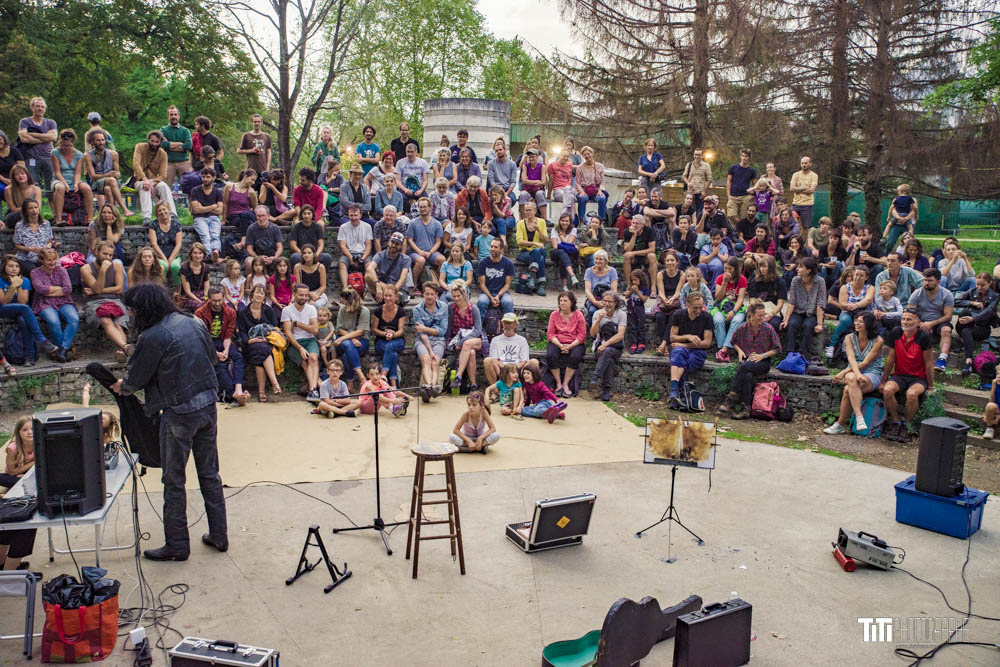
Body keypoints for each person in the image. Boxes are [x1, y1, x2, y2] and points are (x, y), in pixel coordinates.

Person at [111, 283, 227, 561]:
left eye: (133, 309)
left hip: (179, 413)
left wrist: (122, 385)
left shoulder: (153, 336)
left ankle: (177, 545)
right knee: (210, 474)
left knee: (174, 480)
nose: (130, 314)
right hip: (208, 407)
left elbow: (134, 381)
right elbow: (210, 358)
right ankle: (220, 536)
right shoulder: (194, 321)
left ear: (144, 309)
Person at [824, 312, 885, 435]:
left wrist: (844, 373)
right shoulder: (849, 338)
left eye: (861, 321)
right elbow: (851, 359)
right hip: (853, 371)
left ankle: (840, 424)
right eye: (856, 320)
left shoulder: (878, 341)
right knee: (852, 378)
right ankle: (859, 416)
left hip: (872, 372)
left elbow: (866, 362)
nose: (857, 323)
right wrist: (857, 374)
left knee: (848, 389)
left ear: (869, 324)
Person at [719, 301, 782, 419]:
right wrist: (739, 351)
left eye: (764, 315)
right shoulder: (742, 327)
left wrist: (762, 356)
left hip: (762, 362)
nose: (763, 318)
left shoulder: (768, 328)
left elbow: (777, 349)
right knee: (747, 375)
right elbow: (734, 342)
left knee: (743, 367)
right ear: (751, 315)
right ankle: (746, 409)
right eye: (760, 315)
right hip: (747, 360)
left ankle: (731, 396)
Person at [880, 309, 934, 440]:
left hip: (918, 378)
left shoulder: (924, 336)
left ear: (918, 322)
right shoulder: (896, 333)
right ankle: (896, 421)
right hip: (899, 375)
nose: (905, 322)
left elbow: (929, 363)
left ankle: (907, 424)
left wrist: (931, 387)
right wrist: (883, 381)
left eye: (909, 319)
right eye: (903, 319)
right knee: (887, 390)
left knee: (911, 394)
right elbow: (890, 359)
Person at [195, 287, 249, 406]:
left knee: (238, 357)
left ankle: (238, 389)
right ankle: (232, 393)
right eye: (214, 300)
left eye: (220, 300)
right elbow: (202, 338)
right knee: (219, 364)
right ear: (209, 299)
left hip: (223, 342)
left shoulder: (230, 312)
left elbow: (228, 335)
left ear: (224, 298)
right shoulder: (199, 313)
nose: (218, 303)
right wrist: (214, 353)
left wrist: (226, 350)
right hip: (207, 343)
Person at [0, 254, 59, 362]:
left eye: (17, 266)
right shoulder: (0, 280)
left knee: (23, 319)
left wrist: (18, 286)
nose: (14, 269)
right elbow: (4, 302)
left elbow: (23, 301)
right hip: (3, 309)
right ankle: (42, 340)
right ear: (4, 267)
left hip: (19, 310)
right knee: (25, 309)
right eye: (10, 266)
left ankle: (29, 357)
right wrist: (12, 287)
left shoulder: (25, 280)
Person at [81, 241, 130, 361]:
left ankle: (122, 352)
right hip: (94, 302)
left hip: (115, 300)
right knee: (105, 320)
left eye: (110, 255)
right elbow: (97, 290)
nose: (107, 257)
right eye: (104, 254)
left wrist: (96, 290)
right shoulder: (86, 269)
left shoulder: (117, 265)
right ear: (96, 252)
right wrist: (102, 271)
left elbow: (119, 288)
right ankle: (125, 347)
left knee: (119, 323)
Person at [0, 417, 37, 569]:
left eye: (31, 429)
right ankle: (9, 576)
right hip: (12, 478)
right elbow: (12, 472)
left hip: (21, 479)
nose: (29, 433)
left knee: (19, 520)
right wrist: (32, 463)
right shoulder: (14, 447)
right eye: (25, 430)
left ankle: (5, 567)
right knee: (26, 523)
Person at [665, 291, 713, 409]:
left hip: (697, 351)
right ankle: (677, 393)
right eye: (695, 308)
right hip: (680, 349)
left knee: (683, 360)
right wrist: (687, 337)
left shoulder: (707, 317)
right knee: (677, 353)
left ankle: (675, 392)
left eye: (701, 307)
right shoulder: (678, 315)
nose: (698, 311)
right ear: (687, 305)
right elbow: (672, 338)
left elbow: (706, 343)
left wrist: (685, 345)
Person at [30, 249, 78, 362]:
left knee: (74, 319)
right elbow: (40, 290)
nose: (52, 262)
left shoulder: (61, 270)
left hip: (63, 301)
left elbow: (68, 289)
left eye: (54, 259)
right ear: (42, 260)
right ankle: (65, 349)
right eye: (49, 260)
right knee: (54, 321)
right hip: (43, 302)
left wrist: (49, 291)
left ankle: (63, 349)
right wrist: (58, 289)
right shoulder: (35, 272)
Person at [908, 268, 954, 372]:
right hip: (920, 321)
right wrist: (922, 324)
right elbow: (910, 311)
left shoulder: (946, 294)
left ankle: (942, 359)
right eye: (925, 280)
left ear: (938, 282)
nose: (926, 283)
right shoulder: (917, 293)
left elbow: (948, 316)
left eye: (930, 281)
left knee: (946, 330)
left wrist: (932, 324)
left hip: (939, 322)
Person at [282, 283, 321, 402]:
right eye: (301, 295)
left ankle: (313, 390)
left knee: (313, 358)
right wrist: (300, 348)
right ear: (294, 294)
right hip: (294, 343)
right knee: (305, 362)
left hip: (310, 340)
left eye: (306, 295)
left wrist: (298, 324)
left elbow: (314, 330)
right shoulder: (287, 310)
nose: (304, 298)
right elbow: (288, 333)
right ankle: (320, 386)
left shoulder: (311, 308)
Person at [781, 257, 826, 359]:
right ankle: (789, 353)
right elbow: (791, 302)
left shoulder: (820, 281)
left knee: (808, 325)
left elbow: (820, 304)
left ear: (809, 270)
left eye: (801, 267)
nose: (797, 268)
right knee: (792, 324)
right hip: (798, 311)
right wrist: (786, 320)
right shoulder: (795, 280)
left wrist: (819, 324)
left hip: (813, 313)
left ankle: (802, 353)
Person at [954, 273, 999, 376]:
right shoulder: (972, 291)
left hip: (982, 328)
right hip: (965, 325)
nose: (979, 287)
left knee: (966, 330)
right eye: (977, 284)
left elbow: (989, 312)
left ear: (990, 283)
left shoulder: (995, 296)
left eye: (982, 285)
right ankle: (968, 360)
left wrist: (973, 319)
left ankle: (968, 361)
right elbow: (955, 300)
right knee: (964, 312)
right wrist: (971, 303)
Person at [585, 291, 627, 402]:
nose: (607, 304)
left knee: (607, 351)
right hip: (601, 345)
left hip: (616, 346)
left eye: (610, 301)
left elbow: (620, 335)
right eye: (605, 301)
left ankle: (596, 377)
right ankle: (606, 390)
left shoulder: (621, 314)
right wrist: (599, 320)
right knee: (607, 356)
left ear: (616, 303)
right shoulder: (597, 313)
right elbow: (593, 334)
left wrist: (605, 345)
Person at [826, 266, 875, 358]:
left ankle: (865, 349)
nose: (858, 277)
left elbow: (868, 300)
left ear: (866, 277)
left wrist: (856, 305)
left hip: (864, 312)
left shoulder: (870, 287)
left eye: (861, 275)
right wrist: (849, 306)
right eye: (856, 275)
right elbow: (842, 303)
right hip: (847, 311)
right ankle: (832, 345)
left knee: (865, 322)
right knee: (845, 321)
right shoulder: (845, 287)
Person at [446, 280, 486, 391]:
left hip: (475, 339)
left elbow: (478, 330)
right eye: (453, 296)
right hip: (459, 339)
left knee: (468, 344)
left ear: (464, 295)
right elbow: (449, 327)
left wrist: (462, 341)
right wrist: (449, 341)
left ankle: (458, 375)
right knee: (471, 353)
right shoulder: (451, 307)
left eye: (458, 296)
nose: (456, 299)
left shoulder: (473, 309)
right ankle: (473, 385)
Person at [546, 290, 587, 397]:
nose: (562, 303)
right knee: (551, 354)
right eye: (561, 301)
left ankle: (566, 384)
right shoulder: (554, 314)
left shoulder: (578, 315)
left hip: (574, 342)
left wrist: (570, 346)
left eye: (565, 300)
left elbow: (582, 335)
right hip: (558, 341)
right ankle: (558, 384)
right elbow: (550, 334)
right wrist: (560, 345)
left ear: (572, 302)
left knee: (575, 355)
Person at [413, 282, 448, 398]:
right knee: (426, 359)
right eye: (427, 294)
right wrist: (430, 350)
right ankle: (429, 386)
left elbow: (442, 331)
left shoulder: (443, 307)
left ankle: (432, 386)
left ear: (436, 295)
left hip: (439, 340)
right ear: (423, 294)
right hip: (422, 340)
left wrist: (425, 328)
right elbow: (421, 333)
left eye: (432, 294)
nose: (429, 297)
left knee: (435, 361)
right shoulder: (417, 309)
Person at [85, 129, 132, 216]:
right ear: (92, 142)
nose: (101, 142)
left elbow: (118, 173)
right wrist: (108, 175)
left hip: (112, 183)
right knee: (111, 180)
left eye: (102, 140)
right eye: (98, 140)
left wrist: (117, 174)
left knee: (108, 189)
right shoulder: (88, 156)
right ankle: (124, 209)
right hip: (96, 183)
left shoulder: (114, 154)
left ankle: (111, 214)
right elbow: (92, 176)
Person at [50, 129, 93, 225]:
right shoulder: (55, 153)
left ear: (72, 143)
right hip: (59, 178)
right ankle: (59, 219)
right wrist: (65, 183)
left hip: (73, 178)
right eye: (63, 145)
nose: (66, 148)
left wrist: (76, 183)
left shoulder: (78, 154)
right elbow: (57, 172)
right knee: (60, 188)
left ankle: (90, 218)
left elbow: (78, 173)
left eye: (68, 145)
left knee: (86, 188)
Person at [133, 130, 176, 222]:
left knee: (164, 186)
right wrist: (145, 180)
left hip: (155, 181)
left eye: (157, 142)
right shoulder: (140, 147)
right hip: (140, 180)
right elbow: (136, 164)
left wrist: (152, 184)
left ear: (160, 142)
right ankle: (146, 217)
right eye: (152, 141)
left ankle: (172, 214)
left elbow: (163, 175)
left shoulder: (163, 154)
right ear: (148, 140)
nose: (154, 144)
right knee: (145, 187)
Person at [405, 197, 446, 293]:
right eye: (420, 207)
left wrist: (430, 252)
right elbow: (409, 240)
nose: (422, 209)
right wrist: (419, 251)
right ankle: (414, 285)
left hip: (431, 251)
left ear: (430, 207)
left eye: (424, 207)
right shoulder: (413, 223)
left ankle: (439, 284)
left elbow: (438, 241)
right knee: (421, 260)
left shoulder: (437, 224)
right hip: (416, 252)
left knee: (442, 260)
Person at [331, 288, 369, 389]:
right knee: (348, 345)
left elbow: (361, 331)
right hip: (346, 340)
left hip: (361, 340)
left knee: (347, 355)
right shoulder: (342, 310)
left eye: (344, 301)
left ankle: (350, 384)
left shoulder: (364, 311)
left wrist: (342, 339)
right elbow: (339, 329)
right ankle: (361, 376)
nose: (342, 303)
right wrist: (351, 339)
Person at [712, 257, 748, 362]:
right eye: (725, 268)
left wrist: (733, 311)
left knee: (736, 320)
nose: (727, 271)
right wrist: (724, 282)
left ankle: (724, 349)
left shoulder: (742, 279)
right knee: (718, 320)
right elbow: (718, 297)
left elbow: (740, 299)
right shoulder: (720, 278)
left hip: (736, 307)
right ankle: (722, 349)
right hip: (721, 305)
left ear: (736, 269)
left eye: (730, 269)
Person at [18, 97, 58, 191]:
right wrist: (46, 138)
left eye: (42, 107)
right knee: (32, 185)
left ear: (45, 109)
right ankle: (33, 205)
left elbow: (53, 137)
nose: (40, 108)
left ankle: (53, 205)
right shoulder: (25, 121)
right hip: (32, 158)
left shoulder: (51, 122)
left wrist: (31, 134)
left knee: (51, 187)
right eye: (37, 106)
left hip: (49, 157)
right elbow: (23, 138)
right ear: (32, 107)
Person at [371, 283, 407, 387]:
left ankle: (383, 375)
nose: (388, 298)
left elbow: (401, 330)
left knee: (390, 346)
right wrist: (385, 333)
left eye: (390, 296)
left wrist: (393, 334)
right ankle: (394, 384)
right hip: (381, 341)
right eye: (386, 295)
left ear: (395, 297)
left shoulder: (401, 311)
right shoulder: (378, 311)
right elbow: (374, 329)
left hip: (397, 341)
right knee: (393, 354)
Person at [189, 168, 225, 263]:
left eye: (208, 177)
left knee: (215, 235)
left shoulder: (218, 192)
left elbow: (219, 210)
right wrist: (212, 206)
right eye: (203, 177)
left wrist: (203, 208)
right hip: (199, 218)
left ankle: (216, 252)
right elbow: (196, 210)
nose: (205, 179)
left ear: (213, 178)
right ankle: (210, 255)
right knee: (206, 236)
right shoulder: (195, 190)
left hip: (214, 218)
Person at [484, 312, 530, 384]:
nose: (507, 325)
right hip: (501, 368)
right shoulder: (495, 340)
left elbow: (524, 360)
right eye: (505, 323)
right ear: (502, 324)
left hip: (517, 368)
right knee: (487, 360)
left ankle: (529, 390)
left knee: (534, 362)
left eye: (510, 323)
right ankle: (495, 389)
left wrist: (513, 369)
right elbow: (494, 359)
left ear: (515, 325)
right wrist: (505, 368)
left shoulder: (522, 340)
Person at [366, 231, 412, 303]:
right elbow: (370, 269)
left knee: (392, 290)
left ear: (401, 246)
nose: (393, 245)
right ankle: (383, 296)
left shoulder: (406, 259)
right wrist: (377, 284)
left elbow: (403, 277)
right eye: (392, 242)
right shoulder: (380, 255)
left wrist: (393, 291)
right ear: (388, 242)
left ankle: (392, 297)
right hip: (382, 286)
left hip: (397, 289)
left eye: (397, 244)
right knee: (367, 276)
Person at [477, 236, 515, 320]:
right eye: (491, 246)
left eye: (495, 247)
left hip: (502, 293)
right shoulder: (483, 262)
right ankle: (479, 329)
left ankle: (510, 328)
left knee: (508, 302)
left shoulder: (508, 263)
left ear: (501, 249)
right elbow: (482, 284)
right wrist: (491, 297)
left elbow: (507, 285)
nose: (492, 249)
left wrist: (498, 296)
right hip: (486, 293)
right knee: (482, 302)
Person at [516, 201, 550, 296]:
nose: (527, 212)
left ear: (535, 210)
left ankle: (532, 278)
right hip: (524, 252)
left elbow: (545, 240)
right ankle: (540, 285)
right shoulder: (520, 223)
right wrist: (534, 243)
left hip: (539, 251)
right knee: (539, 256)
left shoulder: (541, 222)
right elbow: (519, 241)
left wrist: (538, 229)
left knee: (537, 251)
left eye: (529, 210)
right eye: (526, 210)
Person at [654, 251, 684, 355]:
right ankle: (665, 345)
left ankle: (663, 344)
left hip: (675, 300)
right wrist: (665, 300)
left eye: (672, 260)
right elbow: (661, 291)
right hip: (663, 300)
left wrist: (672, 299)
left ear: (677, 262)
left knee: (674, 316)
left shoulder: (682, 274)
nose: (670, 262)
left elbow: (678, 292)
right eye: (668, 260)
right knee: (660, 317)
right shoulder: (660, 274)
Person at [13, 199, 56, 271]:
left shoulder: (46, 223)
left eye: (36, 207)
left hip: (44, 256)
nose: (34, 210)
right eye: (30, 208)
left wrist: (48, 245)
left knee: (55, 267)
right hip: (26, 258)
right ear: (26, 211)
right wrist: (30, 249)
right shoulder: (20, 225)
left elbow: (49, 240)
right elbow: (17, 246)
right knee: (34, 270)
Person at [337, 204, 374, 288]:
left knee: (369, 265)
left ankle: (367, 289)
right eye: (351, 215)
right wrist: (351, 258)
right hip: (348, 253)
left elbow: (368, 246)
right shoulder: (343, 227)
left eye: (355, 215)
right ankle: (345, 288)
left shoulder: (367, 226)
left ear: (360, 215)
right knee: (342, 264)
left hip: (363, 253)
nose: (353, 218)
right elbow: (343, 246)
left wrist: (363, 258)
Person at [147, 200, 183, 283]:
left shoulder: (176, 224)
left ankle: (177, 289)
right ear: (157, 213)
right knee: (163, 266)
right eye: (159, 210)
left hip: (174, 255)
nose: (162, 212)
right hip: (159, 255)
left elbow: (178, 244)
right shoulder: (153, 225)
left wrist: (170, 259)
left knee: (175, 266)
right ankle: (160, 289)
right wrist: (164, 259)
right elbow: (154, 244)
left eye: (164, 209)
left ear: (169, 210)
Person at [242, 205, 284, 275]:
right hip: (257, 257)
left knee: (283, 262)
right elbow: (249, 248)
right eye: (258, 216)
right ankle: (249, 284)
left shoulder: (275, 228)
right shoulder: (251, 228)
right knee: (249, 262)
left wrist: (275, 257)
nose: (261, 218)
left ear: (268, 216)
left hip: (273, 257)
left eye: (263, 215)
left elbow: (279, 247)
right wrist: (258, 257)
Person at [288, 204, 332, 270]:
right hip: (300, 254)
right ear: (301, 215)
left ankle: (321, 278)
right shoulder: (296, 227)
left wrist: (315, 255)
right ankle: (297, 279)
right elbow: (293, 245)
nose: (307, 216)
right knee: (294, 257)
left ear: (312, 215)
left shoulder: (318, 227)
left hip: (314, 254)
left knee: (327, 257)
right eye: (304, 213)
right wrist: (304, 255)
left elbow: (321, 245)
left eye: (309, 213)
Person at [583, 249, 619, 326]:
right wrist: (595, 302)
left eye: (600, 259)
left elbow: (614, 290)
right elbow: (587, 290)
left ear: (605, 261)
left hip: (609, 299)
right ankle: (594, 334)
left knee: (613, 312)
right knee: (592, 311)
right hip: (594, 299)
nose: (598, 261)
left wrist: (606, 302)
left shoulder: (612, 271)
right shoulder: (589, 271)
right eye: (596, 259)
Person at [573, 146, 606, 223]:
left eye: (588, 154)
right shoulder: (580, 168)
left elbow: (602, 181)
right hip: (584, 189)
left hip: (596, 190)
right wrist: (581, 191)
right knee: (582, 198)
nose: (587, 156)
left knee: (602, 198)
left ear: (592, 153)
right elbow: (577, 182)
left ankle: (601, 221)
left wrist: (600, 190)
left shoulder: (600, 166)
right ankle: (581, 220)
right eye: (585, 155)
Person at [623, 214, 656, 287]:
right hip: (633, 258)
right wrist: (634, 236)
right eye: (633, 223)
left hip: (645, 256)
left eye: (637, 224)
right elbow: (627, 249)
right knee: (626, 257)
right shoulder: (627, 231)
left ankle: (653, 288)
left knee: (652, 256)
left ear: (643, 225)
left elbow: (652, 249)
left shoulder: (649, 231)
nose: (634, 225)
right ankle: (629, 285)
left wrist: (634, 253)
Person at [726, 148, 757, 223]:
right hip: (733, 196)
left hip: (745, 197)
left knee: (744, 217)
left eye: (746, 156)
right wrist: (728, 195)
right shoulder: (733, 168)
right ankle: (741, 227)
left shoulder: (752, 170)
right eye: (742, 156)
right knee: (731, 215)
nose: (744, 158)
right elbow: (729, 181)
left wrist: (752, 195)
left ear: (749, 157)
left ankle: (741, 231)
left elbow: (755, 185)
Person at [884, 184, 918, 251]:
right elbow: (893, 210)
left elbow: (914, 211)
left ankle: (907, 257)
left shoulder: (913, 199)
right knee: (890, 243)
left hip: (907, 224)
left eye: (898, 190)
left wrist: (906, 218)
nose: (897, 192)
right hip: (897, 224)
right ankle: (886, 256)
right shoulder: (896, 199)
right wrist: (899, 217)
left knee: (909, 243)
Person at [550, 213, 580, 290]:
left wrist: (560, 236)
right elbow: (555, 246)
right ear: (559, 221)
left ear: (570, 222)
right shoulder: (555, 229)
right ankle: (572, 276)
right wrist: (563, 239)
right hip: (556, 253)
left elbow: (569, 243)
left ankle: (564, 286)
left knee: (563, 258)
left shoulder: (573, 230)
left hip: (567, 254)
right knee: (562, 252)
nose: (564, 223)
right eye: (562, 221)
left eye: (567, 221)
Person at [625, 268, 652, 354]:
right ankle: (633, 343)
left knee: (640, 326)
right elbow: (626, 297)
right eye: (632, 280)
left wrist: (637, 292)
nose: (634, 282)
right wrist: (631, 291)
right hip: (631, 309)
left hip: (639, 308)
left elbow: (644, 300)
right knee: (633, 327)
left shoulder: (645, 288)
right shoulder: (631, 287)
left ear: (641, 279)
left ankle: (641, 343)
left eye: (635, 280)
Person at [787, 156, 818, 229]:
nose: (804, 165)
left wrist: (797, 190)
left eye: (806, 163)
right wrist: (804, 188)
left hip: (807, 205)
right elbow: (791, 188)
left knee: (805, 227)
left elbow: (811, 190)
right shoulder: (796, 174)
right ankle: (794, 239)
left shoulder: (814, 175)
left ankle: (803, 240)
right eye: (802, 163)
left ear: (810, 164)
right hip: (795, 204)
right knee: (793, 225)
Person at [295, 244, 328, 309]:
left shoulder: (320, 267)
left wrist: (314, 297)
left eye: (309, 253)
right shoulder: (297, 267)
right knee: (302, 305)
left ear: (314, 254)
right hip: (303, 293)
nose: (306, 255)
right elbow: (298, 285)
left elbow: (323, 286)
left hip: (318, 292)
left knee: (317, 305)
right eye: (304, 253)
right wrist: (309, 294)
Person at [486, 138, 517, 206]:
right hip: (495, 188)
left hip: (507, 188)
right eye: (496, 151)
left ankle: (507, 213)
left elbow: (513, 182)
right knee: (493, 199)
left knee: (513, 199)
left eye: (500, 150)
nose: (498, 152)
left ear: (505, 150)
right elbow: (491, 181)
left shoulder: (512, 164)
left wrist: (506, 193)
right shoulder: (491, 164)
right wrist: (498, 192)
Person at [680, 147, 712, 214]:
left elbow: (709, 179)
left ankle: (697, 223)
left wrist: (704, 191)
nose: (696, 156)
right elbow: (684, 176)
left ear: (702, 156)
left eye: (698, 155)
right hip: (690, 192)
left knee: (699, 212)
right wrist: (688, 183)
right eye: (695, 154)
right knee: (689, 210)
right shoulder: (689, 165)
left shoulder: (706, 166)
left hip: (700, 192)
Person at [518, 148, 547, 219]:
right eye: (529, 157)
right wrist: (536, 181)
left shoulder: (542, 166)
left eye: (533, 156)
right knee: (522, 195)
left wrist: (529, 181)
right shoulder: (525, 166)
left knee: (540, 194)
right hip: (527, 190)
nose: (531, 158)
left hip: (538, 190)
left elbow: (543, 182)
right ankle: (523, 219)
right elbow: (524, 180)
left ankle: (544, 218)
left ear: (537, 156)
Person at [547, 150, 575, 219]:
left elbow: (580, 167)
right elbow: (551, 181)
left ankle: (565, 213)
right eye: (564, 156)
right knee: (570, 197)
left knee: (568, 189)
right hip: (558, 190)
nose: (566, 158)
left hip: (569, 190)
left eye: (567, 156)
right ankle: (571, 219)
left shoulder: (569, 165)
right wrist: (548, 195)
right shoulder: (552, 165)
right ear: (559, 155)